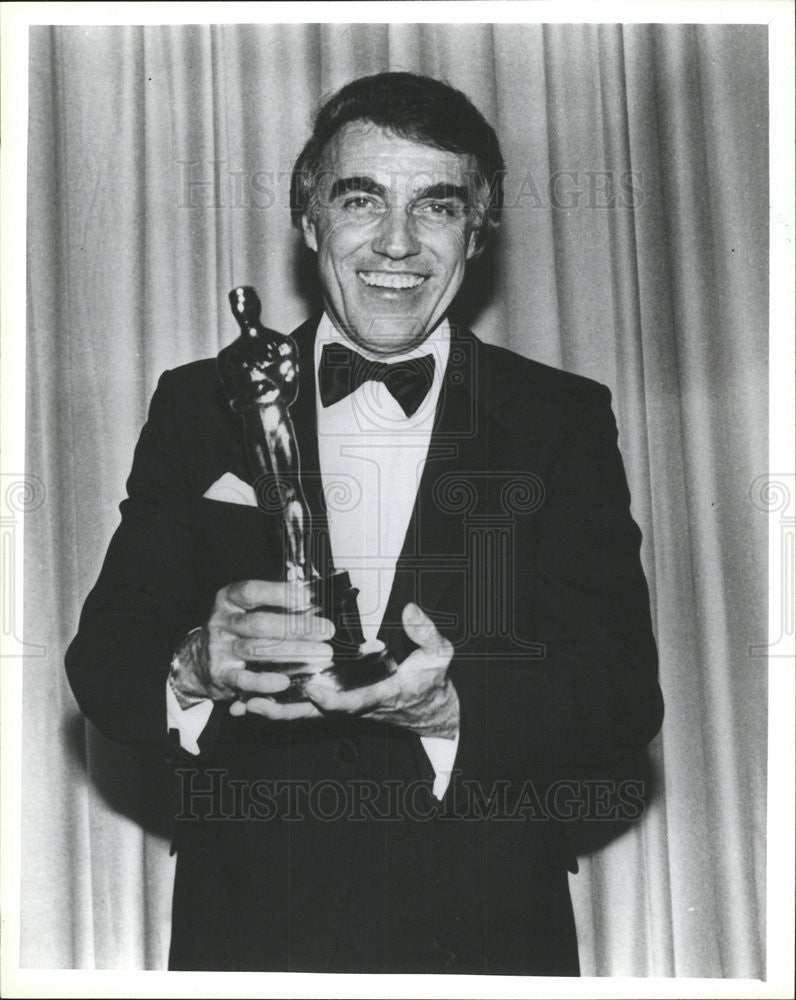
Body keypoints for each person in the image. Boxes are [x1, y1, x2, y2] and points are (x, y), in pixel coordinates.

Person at [66, 71, 664, 976]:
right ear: (311, 224)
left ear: (477, 231)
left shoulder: (560, 418)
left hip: (489, 927)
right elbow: (106, 662)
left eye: (436, 206)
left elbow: (621, 695)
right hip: (253, 928)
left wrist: (447, 705)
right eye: (361, 200)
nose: (397, 243)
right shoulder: (203, 404)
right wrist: (194, 663)